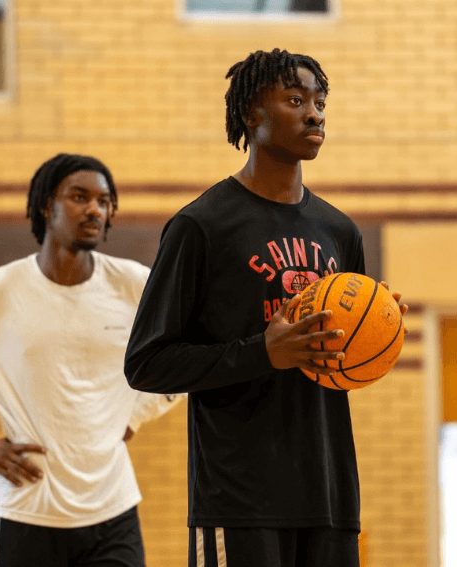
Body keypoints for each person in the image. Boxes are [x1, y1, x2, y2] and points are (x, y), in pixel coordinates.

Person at [123, 49, 408, 567]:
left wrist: (377, 333)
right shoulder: (201, 226)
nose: (315, 113)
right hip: (238, 498)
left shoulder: (340, 231)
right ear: (252, 114)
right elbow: (146, 362)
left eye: (320, 102)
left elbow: (338, 364)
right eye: (295, 100)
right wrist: (262, 352)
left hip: (329, 493)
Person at [0, 153, 184, 567]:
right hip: (27, 511)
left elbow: (184, 361)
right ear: (45, 206)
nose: (94, 209)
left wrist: (134, 415)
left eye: (104, 202)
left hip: (113, 511)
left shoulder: (134, 284)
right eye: (79, 197)